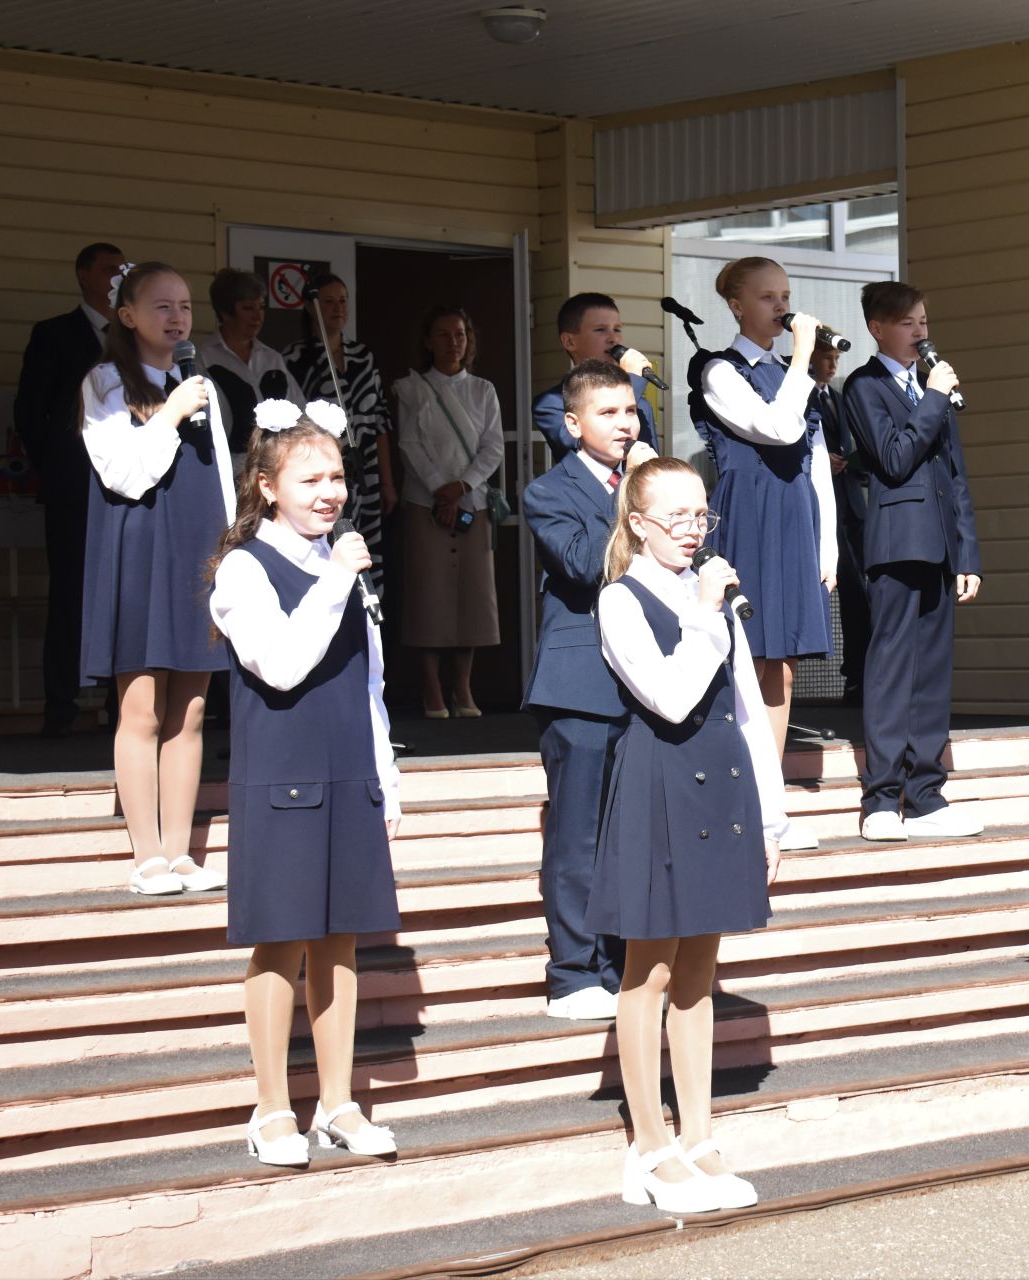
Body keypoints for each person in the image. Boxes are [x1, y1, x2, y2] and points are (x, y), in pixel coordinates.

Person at [588, 455, 785, 1216]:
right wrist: (706, 610)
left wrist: (773, 817)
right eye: (676, 516)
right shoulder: (620, 600)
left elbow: (744, 711)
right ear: (637, 522)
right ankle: (648, 1146)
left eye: (701, 515)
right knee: (650, 969)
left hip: (723, 785)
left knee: (701, 967)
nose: (693, 529)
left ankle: (698, 1133)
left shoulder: (712, 600)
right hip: (658, 783)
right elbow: (669, 697)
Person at [208, 398, 402, 1168]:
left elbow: (370, 686)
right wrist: (334, 583)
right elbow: (280, 665)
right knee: (280, 942)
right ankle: (270, 1108)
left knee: (341, 943)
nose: (331, 491)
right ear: (265, 486)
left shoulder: (338, 564)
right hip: (282, 780)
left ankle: (338, 1101)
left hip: (348, 772)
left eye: (338, 475)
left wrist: (386, 777)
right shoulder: (244, 568)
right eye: (311, 477)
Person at [80, 261, 236, 896]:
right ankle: (144, 852)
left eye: (185, 307)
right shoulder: (105, 381)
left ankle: (180, 851)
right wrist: (169, 413)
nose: (177, 318)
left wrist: (235, 550)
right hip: (142, 552)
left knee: (191, 708)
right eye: (162, 306)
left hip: (199, 553)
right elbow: (124, 474)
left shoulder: (201, 384)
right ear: (127, 315)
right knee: (141, 705)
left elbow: (224, 479)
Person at [521, 359, 657, 1021]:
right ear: (574, 425)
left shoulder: (650, 486)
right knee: (577, 837)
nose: (625, 424)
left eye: (630, 411)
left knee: (628, 833)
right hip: (581, 686)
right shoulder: (549, 491)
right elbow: (581, 566)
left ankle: (620, 964)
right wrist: (634, 503)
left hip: (649, 687)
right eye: (608, 413)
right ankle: (571, 973)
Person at [840, 280, 984, 843]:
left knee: (932, 671)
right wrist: (932, 399)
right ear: (878, 328)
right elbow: (895, 459)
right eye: (908, 323)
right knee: (893, 667)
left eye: (924, 321)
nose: (921, 332)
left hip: (941, 546)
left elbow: (956, 477)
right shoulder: (865, 386)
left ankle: (926, 793)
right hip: (897, 544)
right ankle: (880, 796)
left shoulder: (931, 390)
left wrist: (968, 553)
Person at [689, 256, 837, 768]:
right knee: (748, 654)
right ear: (736, 305)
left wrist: (829, 547)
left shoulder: (790, 372)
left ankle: (771, 790)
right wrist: (800, 363)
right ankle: (744, 785)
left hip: (797, 513)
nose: (782, 307)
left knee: (785, 660)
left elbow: (815, 460)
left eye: (786, 298)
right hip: (751, 512)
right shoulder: (720, 370)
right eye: (768, 297)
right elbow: (777, 429)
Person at [14, 240, 126, 736]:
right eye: (106, 269)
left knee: (123, 594)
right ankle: (59, 706)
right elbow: (29, 412)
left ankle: (119, 706)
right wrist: (58, 468)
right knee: (69, 594)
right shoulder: (54, 334)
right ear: (83, 275)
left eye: (121, 270)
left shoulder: (132, 333)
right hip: (73, 487)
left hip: (127, 486)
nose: (114, 276)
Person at [391, 305, 505, 719]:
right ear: (428, 341)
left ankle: (463, 688)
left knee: (471, 600)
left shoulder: (483, 389)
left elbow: (493, 446)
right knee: (430, 597)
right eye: (443, 334)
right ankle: (432, 690)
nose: (452, 342)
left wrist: (462, 486)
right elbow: (409, 444)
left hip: (471, 502)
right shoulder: (410, 388)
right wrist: (440, 488)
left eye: (459, 334)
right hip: (426, 503)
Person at [284, 274, 393, 597]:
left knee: (368, 548)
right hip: (325, 473)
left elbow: (380, 422)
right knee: (329, 544)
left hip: (366, 471)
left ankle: (369, 617)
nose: (338, 308)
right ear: (310, 307)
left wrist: (387, 481)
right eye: (328, 301)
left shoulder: (363, 356)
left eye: (343, 300)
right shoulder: (294, 358)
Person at [529, 292, 659, 463]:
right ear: (569, 341)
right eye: (600, 330)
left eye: (617, 329)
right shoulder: (551, 404)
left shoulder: (640, 404)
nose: (613, 338)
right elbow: (575, 446)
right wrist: (632, 380)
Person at [814, 344, 870, 704]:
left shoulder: (838, 396)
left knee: (860, 592)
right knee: (834, 586)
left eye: (837, 359)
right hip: (820, 506)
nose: (834, 364)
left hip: (851, 504)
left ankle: (859, 674)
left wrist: (851, 463)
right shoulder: (799, 395)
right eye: (827, 357)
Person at [200, 268, 304, 450]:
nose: (258, 316)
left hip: (271, 467)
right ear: (225, 312)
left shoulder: (273, 359)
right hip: (226, 469)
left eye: (261, 307)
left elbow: (300, 413)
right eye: (248, 308)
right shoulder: (203, 357)